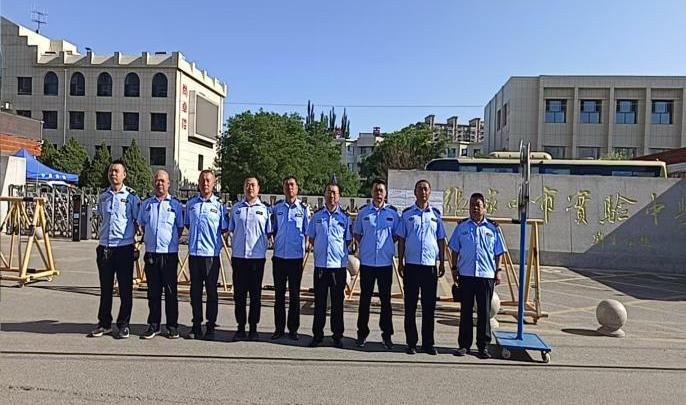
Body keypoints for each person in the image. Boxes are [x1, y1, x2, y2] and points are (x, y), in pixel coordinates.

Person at [449, 192, 506, 359]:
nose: (475, 208)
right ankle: (464, 345)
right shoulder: (462, 227)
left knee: (484, 312)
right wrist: (454, 269)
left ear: (484, 208)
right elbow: (454, 249)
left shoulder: (493, 228)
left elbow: (499, 252)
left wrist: (498, 271)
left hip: (486, 275)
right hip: (466, 274)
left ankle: (483, 346)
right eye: (472, 205)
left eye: (478, 205)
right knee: (465, 311)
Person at [89, 160, 141, 339]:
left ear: (124, 175)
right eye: (111, 171)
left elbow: (138, 222)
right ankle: (104, 323)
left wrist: (136, 244)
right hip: (105, 246)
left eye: (117, 171)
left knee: (125, 289)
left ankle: (124, 324)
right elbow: (101, 218)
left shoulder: (132, 198)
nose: (113, 174)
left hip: (124, 248)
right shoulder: (103, 196)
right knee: (105, 289)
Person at [395, 179, 446, 355]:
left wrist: (442, 262)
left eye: (425, 189)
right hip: (411, 266)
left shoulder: (436, 215)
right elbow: (401, 239)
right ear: (415, 192)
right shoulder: (407, 214)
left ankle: (428, 343)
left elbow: (441, 239)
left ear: (429, 192)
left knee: (429, 306)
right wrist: (400, 261)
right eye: (420, 189)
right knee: (410, 306)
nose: (423, 192)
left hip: (429, 266)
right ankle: (411, 342)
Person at [137, 169, 184, 339]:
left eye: (163, 181)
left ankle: (172, 326)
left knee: (171, 292)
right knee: (153, 292)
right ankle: (154, 325)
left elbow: (180, 228)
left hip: (169, 254)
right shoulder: (146, 204)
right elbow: (142, 224)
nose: (160, 184)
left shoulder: (176, 205)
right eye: (157, 181)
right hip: (152, 253)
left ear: (169, 184)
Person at [353, 178, 399, 350]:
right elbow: (357, 233)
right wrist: (367, 246)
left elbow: (396, 235)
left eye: (381, 190)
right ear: (371, 193)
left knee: (385, 301)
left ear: (385, 193)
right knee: (364, 300)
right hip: (367, 263)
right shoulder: (364, 213)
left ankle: (387, 335)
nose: (378, 193)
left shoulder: (392, 214)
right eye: (376, 190)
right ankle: (361, 334)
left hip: (385, 263)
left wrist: (385, 248)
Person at [306, 182, 353, 348]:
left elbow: (348, 241)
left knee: (337, 304)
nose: (331, 196)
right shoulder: (317, 217)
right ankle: (317, 336)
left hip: (337, 267)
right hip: (321, 266)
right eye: (328, 192)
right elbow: (312, 238)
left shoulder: (345, 218)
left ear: (339, 196)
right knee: (319, 303)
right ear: (324, 195)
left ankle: (337, 336)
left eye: (334, 193)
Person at [185, 170, 228, 340]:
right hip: (195, 254)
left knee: (211, 292)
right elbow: (188, 224)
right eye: (203, 180)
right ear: (198, 182)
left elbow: (223, 229)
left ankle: (210, 326)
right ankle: (196, 325)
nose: (205, 183)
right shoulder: (191, 204)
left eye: (209, 180)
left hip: (211, 255)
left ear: (214, 183)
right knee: (195, 292)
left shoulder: (219, 206)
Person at [228, 176, 272, 341]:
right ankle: (240, 328)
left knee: (255, 295)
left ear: (258, 188)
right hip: (239, 257)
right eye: (247, 185)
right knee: (239, 295)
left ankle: (253, 328)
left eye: (253, 185)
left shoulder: (265, 210)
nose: (250, 188)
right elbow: (231, 229)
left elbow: (268, 232)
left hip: (256, 258)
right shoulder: (236, 208)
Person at [270, 176, 310, 341]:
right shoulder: (277, 208)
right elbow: (273, 229)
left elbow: (308, 232)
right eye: (286, 185)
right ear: (283, 188)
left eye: (292, 185)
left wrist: (304, 248)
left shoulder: (304, 209)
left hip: (295, 258)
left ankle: (293, 329)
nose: (289, 187)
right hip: (279, 256)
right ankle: (279, 329)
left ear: (297, 188)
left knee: (294, 295)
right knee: (279, 295)